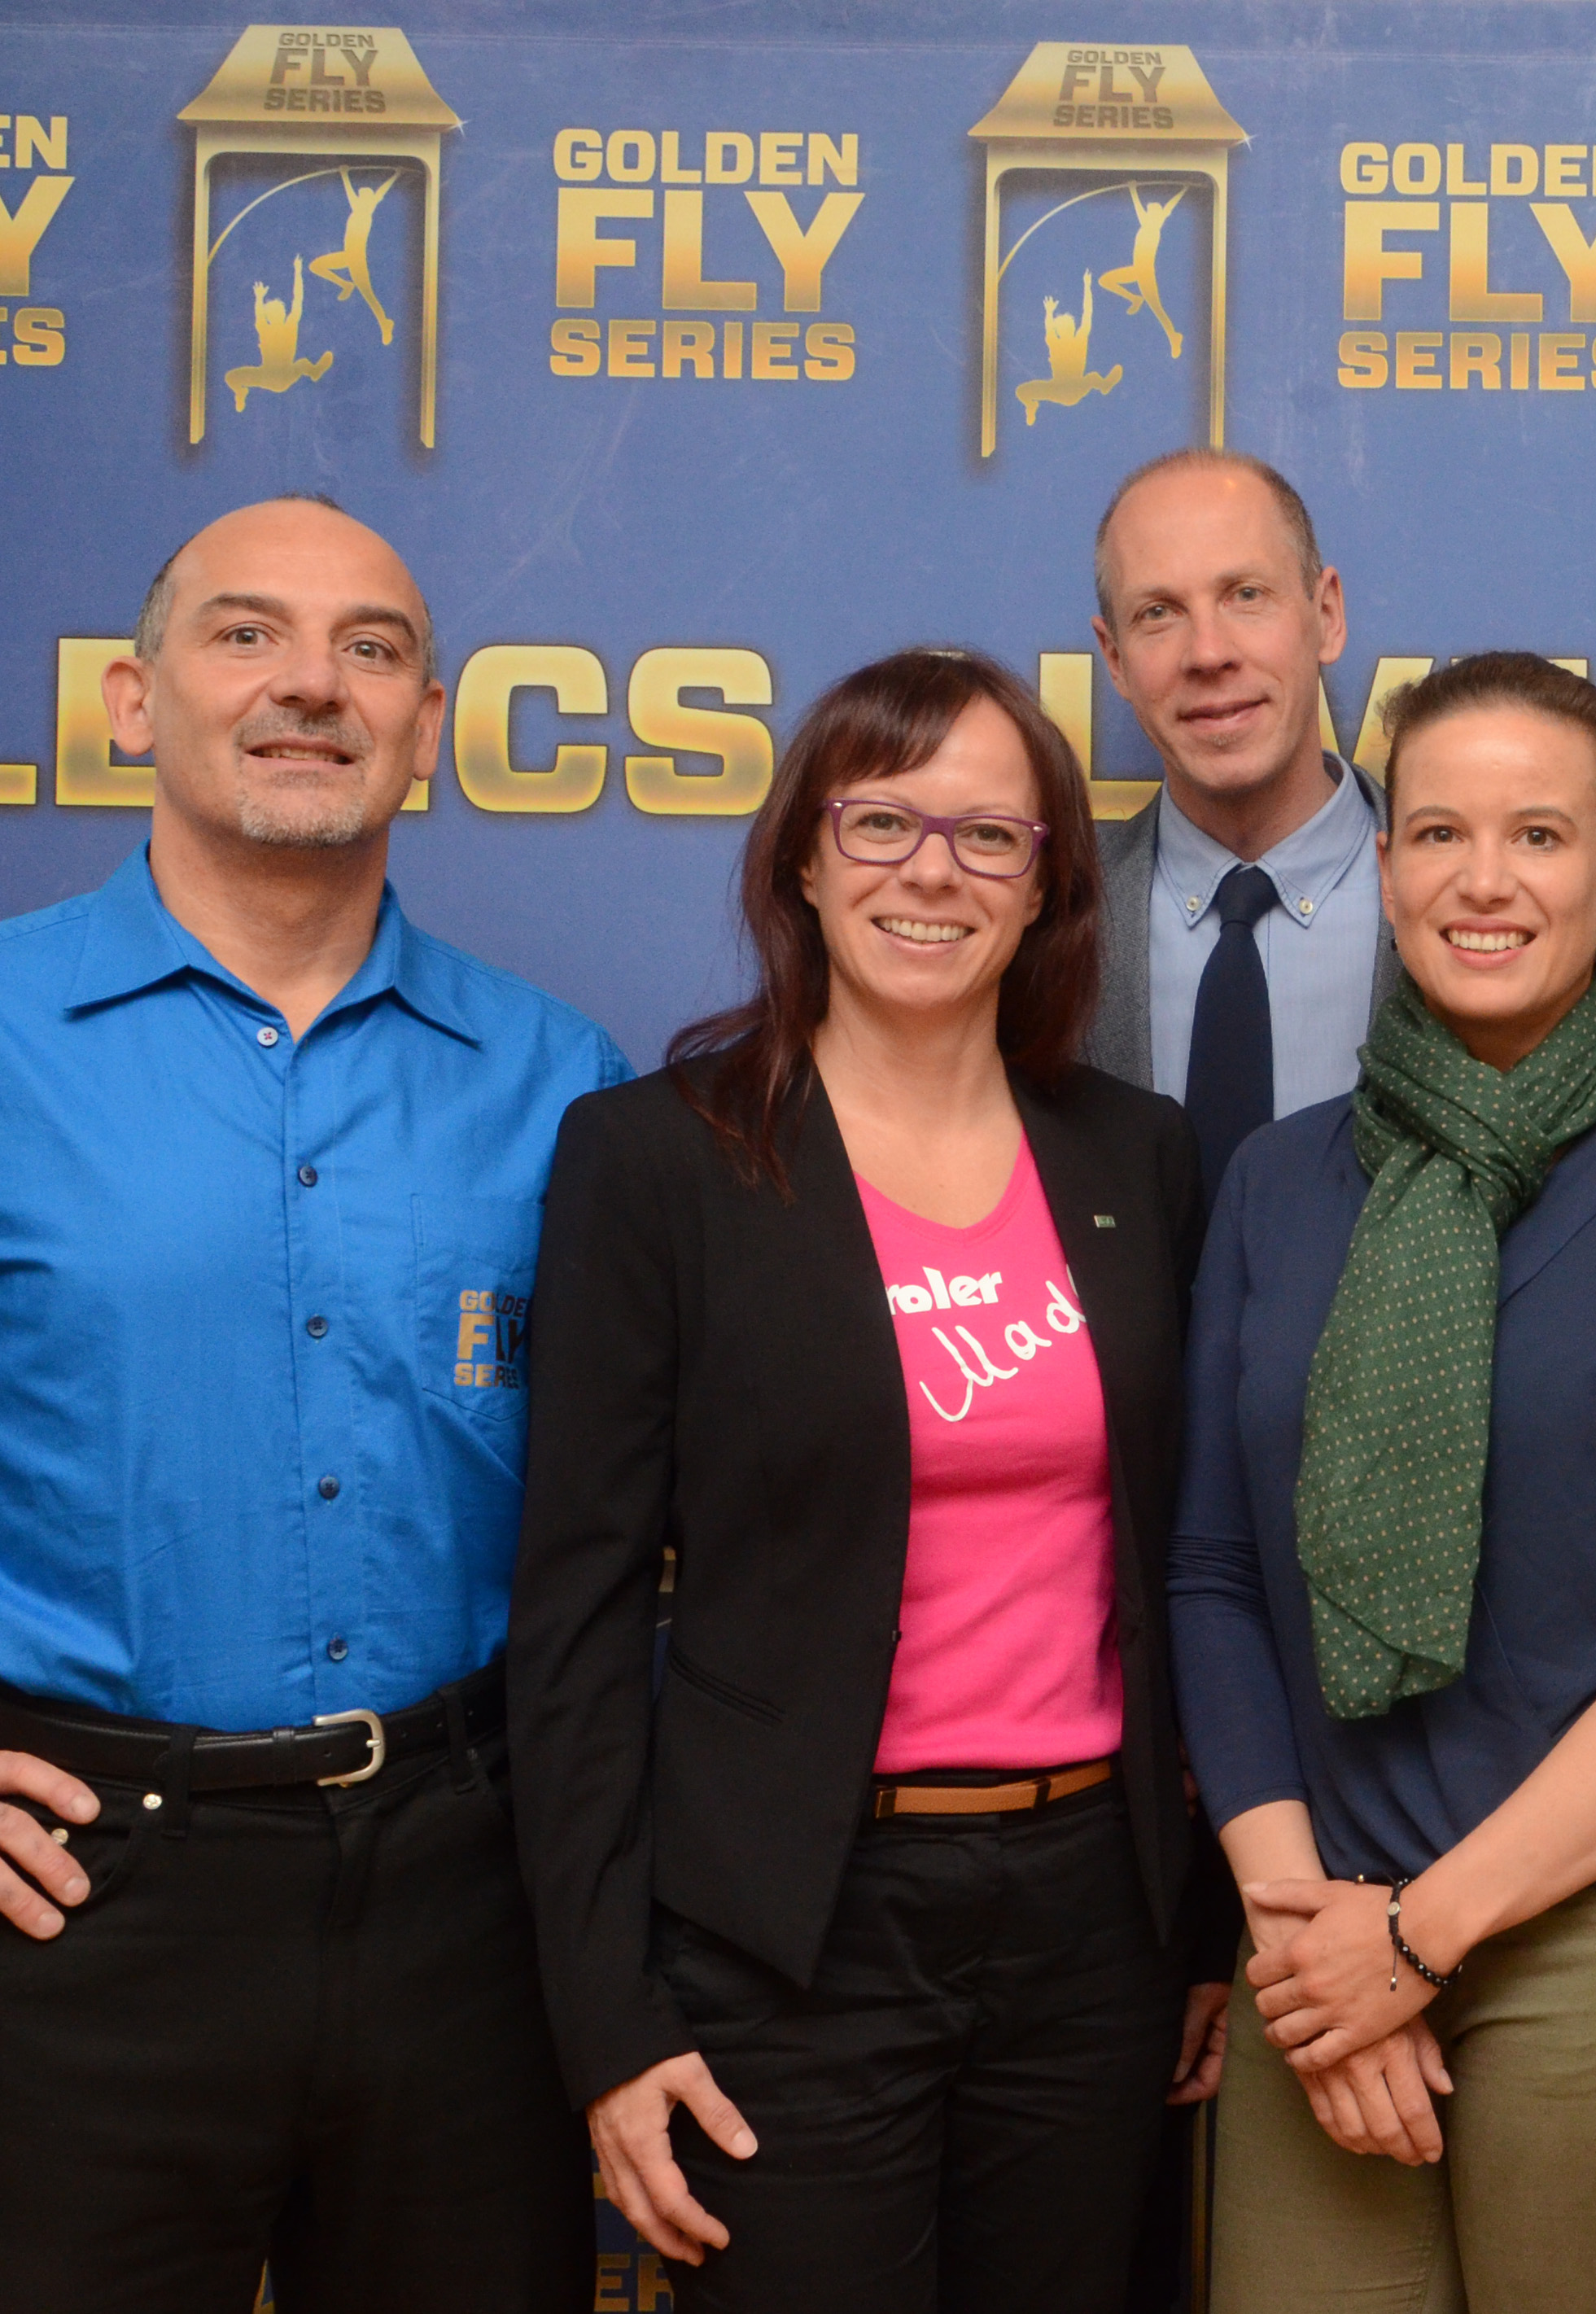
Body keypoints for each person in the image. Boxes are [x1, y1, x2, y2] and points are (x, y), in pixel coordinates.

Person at [507, 650, 1227, 2312]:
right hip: (792, 1930)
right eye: (883, 817)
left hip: (1088, 1927)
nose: (931, 869)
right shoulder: (657, 1159)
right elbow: (578, 1621)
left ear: (1047, 876)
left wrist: (1194, 1933)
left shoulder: (1136, 1155)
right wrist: (607, 2013)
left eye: (989, 834)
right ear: (803, 857)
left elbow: (1177, 1559)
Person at [0, 495, 624, 2311]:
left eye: (370, 648)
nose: (310, 686)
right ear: (131, 700)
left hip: (468, 1900)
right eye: (246, 633)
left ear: (425, 726)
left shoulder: (559, 1080)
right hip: (83, 1907)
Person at [1171, 652, 1596, 2312]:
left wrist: (1418, 1937)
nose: (1482, 878)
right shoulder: (1270, 1181)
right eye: (1438, 831)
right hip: (1312, 1913)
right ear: (1382, 866)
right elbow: (1210, 1572)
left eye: (1537, 835)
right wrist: (1311, 1940)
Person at [1087, 448, 1396, 1191]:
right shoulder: (1049, 910)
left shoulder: (1465, 896)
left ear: (1325, 615)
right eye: (1158, 613)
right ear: (1115, 658)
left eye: (1245, 594)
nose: (1209, 652)